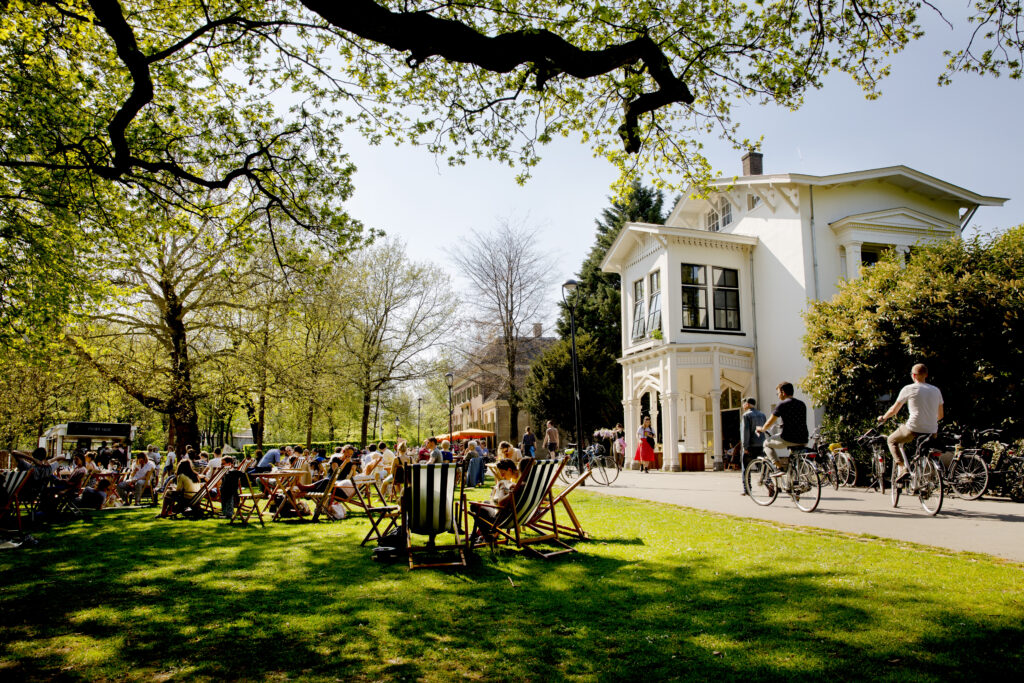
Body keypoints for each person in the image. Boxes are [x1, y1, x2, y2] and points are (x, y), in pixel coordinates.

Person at [878, 363, 944, 482]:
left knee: (891, 440)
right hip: (932, 431)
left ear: (913, 375)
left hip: (913, 428)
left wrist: (884, 417)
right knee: (924, 451)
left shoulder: (909, 389)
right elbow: (940, 415)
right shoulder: (936, 390)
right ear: (926, 375)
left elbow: (894, 410)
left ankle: (902, 468)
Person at [756, 382, 809, 475]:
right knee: (792, 459)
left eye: (778, 393)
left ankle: (779, 468)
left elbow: (769, 422)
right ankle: (792, 477)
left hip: (789, 438)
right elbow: (796, 420)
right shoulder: (802, 404)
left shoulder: (782, 404)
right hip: (803, 439)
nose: (778, 395)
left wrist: (762, 429)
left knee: (766, 443)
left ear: (783, 392)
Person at [470, 458, 520, 543]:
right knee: (486, 502)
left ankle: (487, 537)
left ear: (509, 470)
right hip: (513, 515)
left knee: (474, 507)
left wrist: (502, 487)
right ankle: (479, 535)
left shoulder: (515, 484)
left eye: (503, 473)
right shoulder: (520, 481)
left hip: (504, 517)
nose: (502, 476)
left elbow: (501, 502)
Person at [738, 398, 767, 495]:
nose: (743, 406)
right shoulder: (762, 415)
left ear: (747, 404)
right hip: (761, 444)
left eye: (743, 404)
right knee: (763, 467)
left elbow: (745, 432)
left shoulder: (746, 415)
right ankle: (770, 486)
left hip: (750, 445)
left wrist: (745, 446)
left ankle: (747, 489)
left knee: (746, 469)